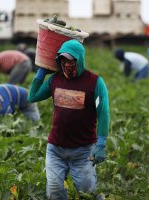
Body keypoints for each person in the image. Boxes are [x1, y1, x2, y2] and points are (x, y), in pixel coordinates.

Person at [28, 39, 110, 199]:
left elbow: (103, 112)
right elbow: (32, 97)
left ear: (79, 59)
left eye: (71, 60)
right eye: (63, 60)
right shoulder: (55, 80)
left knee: (87, 193)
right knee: (54, 190)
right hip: (55, 148)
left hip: (83, 150)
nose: (67, 64)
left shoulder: (94, 83)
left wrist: (101, 142)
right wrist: (41, 73)